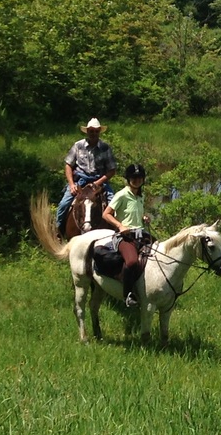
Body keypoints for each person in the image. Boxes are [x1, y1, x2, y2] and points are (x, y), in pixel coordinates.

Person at [102, 163, 153, 308]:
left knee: (160, 253)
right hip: (124, 237)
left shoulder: (140, 196)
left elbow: (134, 214)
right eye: (134, 178)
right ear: (128, 179)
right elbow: (106, 214)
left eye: (140, 178)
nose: (137, 180)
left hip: (140, 234)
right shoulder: (122, 195)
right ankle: (128, 294)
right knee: (131, 262)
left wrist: (143, 217)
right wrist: (120, 225)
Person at [56, 118, 117, 235]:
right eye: (91, 131)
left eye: (96, 131)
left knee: (113, 204)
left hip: (99, 181)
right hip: (80, 180)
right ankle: (58, 230)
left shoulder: (105, 148)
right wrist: (71, 184)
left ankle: (117, 231)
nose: (94, 134)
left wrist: (97, 183)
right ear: (87, 132)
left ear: (99, 132)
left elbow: (112, 170)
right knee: (64, 204)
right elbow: (68, 165)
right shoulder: (78, 145)